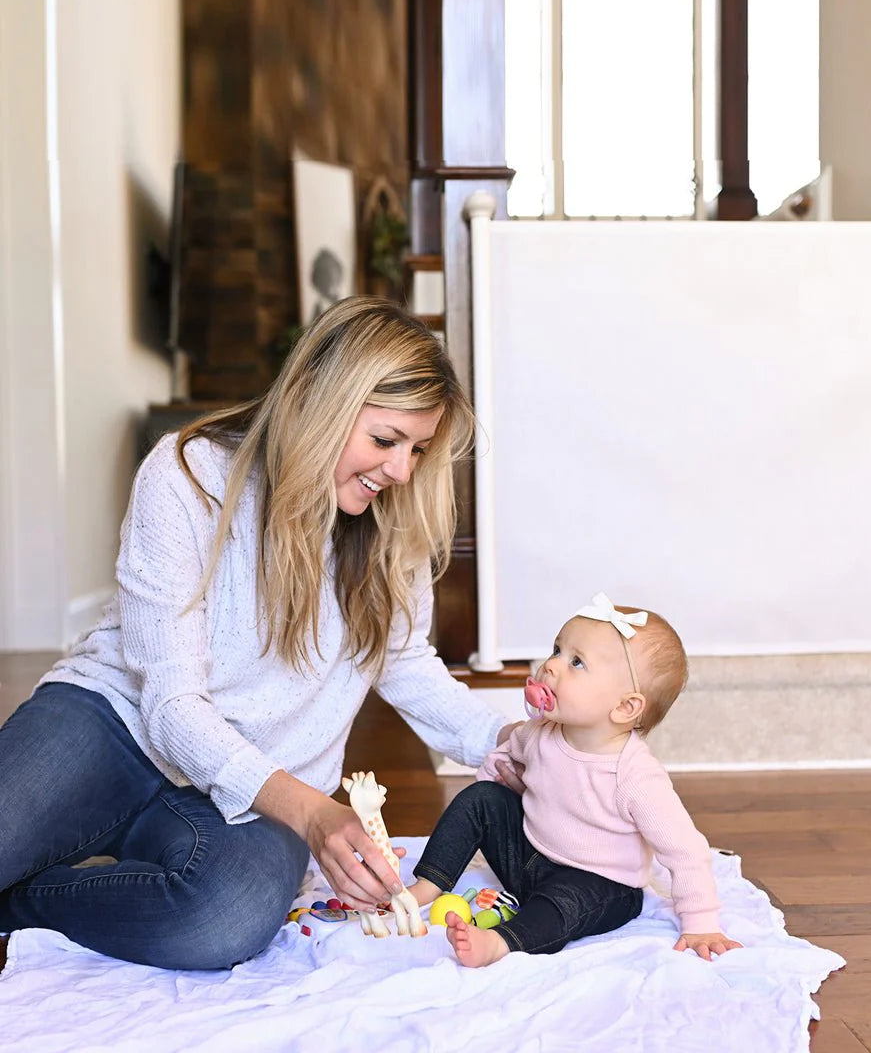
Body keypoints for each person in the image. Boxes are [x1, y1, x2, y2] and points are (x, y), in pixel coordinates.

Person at [0, 297, 519, 971]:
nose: (401, 471)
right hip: (116, 725)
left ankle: (23, 905)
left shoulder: (391, 525)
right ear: (319, 401)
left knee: (223, 919)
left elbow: (407, 663)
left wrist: (507, 744)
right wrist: (312, 814)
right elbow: (172, 706)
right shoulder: (187, 476)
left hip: (267, 777)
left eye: (418, 450)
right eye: (386, 440)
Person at [407, 592, 744, 968]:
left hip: (600, 885)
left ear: (625, 706)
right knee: (480, 796)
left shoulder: (634, 775)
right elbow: (500, 761)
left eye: (577, 662)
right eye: (557, 650)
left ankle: (500, 942)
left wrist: (700, 923)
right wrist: (493, 808)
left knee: (564, 904)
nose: (551, 666)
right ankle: (428, 884)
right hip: (532, 858)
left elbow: (684, 850)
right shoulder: (540, 731)